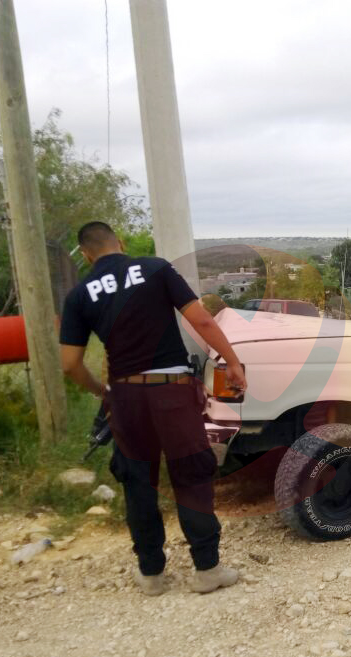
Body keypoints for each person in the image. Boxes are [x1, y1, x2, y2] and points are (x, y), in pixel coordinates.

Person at [59, 221, 247, 596]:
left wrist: (103, 392)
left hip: (126, 400)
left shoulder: (79, 295)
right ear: (121, 243)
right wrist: (233, 362)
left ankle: (151, 575)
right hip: (172, 392)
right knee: (191, 476)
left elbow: (70, 364)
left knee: (138, 483)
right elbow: (202, 319)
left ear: (85, 254)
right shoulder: (155, 268)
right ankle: (206, 569)